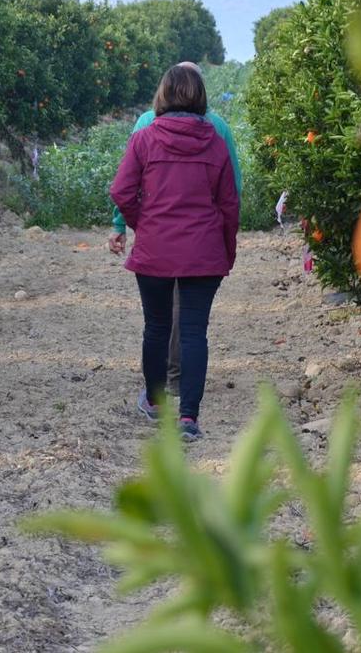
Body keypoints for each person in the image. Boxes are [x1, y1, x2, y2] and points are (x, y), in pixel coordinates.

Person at [109, 63, 239, 441]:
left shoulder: (144, 138)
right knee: (195, 332)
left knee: (157, 327)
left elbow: (121, 191)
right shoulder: (215, 142)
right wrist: (225, 248)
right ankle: (188, 418)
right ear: (200, 96)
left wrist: (141, 223)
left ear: (163, 94)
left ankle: (155, 402)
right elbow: (229, 204)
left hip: (155, 249)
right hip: (203, 252)